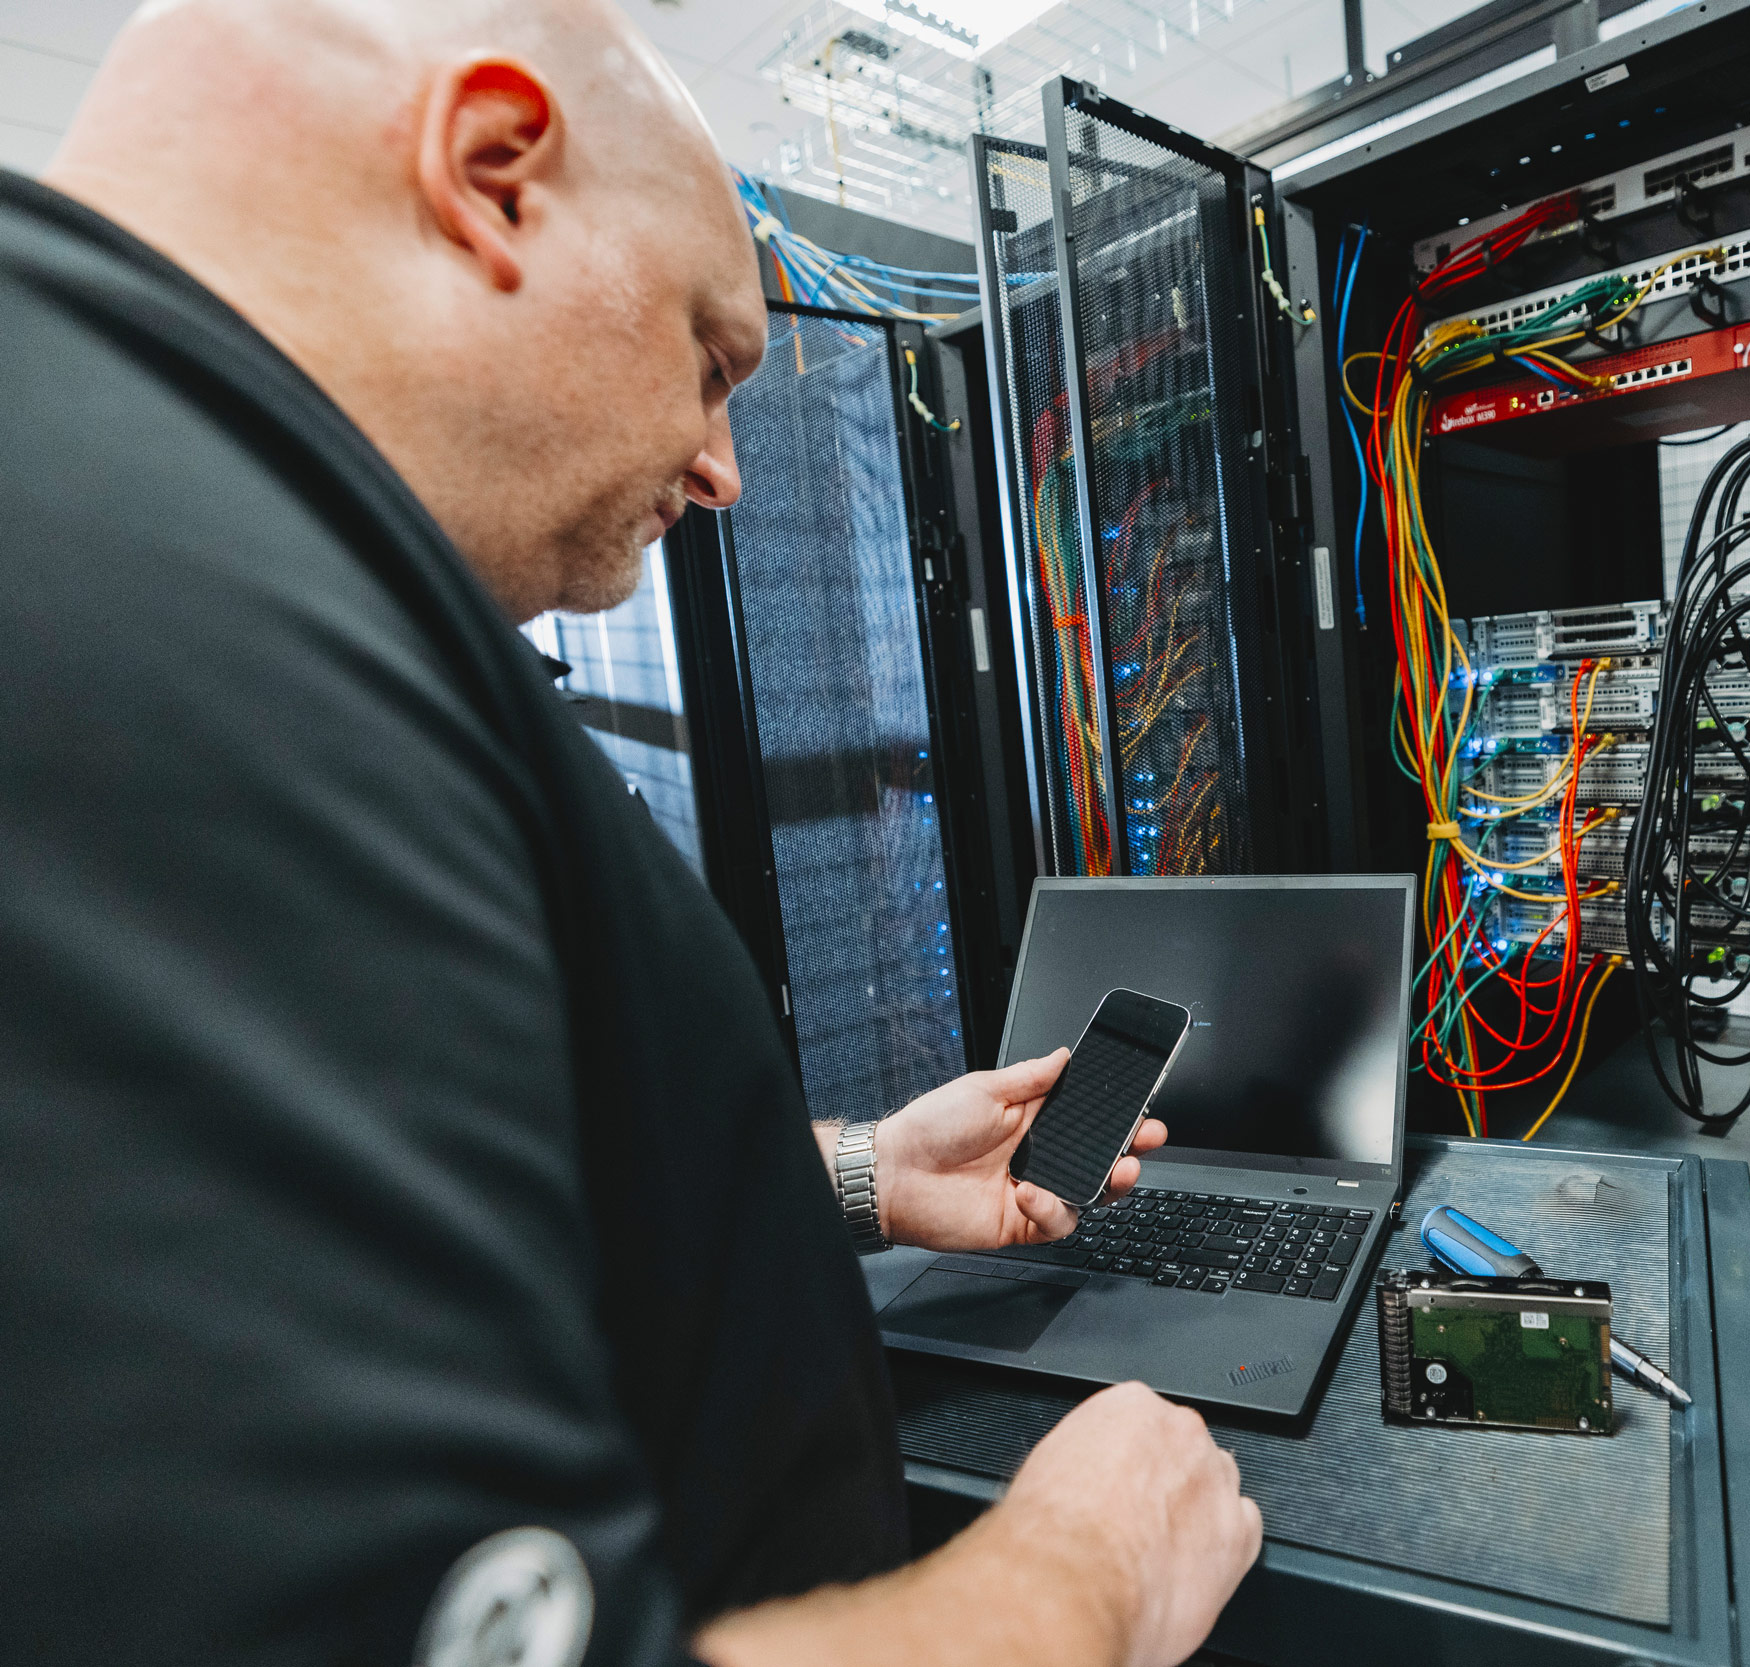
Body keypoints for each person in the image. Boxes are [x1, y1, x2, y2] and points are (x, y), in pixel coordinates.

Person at [0, 2, 1261, 1664]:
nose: (729, 467)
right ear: (495, 173)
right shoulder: (136, 602)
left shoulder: (185, 518)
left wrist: (868, 1176)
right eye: (712, 355)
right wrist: (1081, 1577)